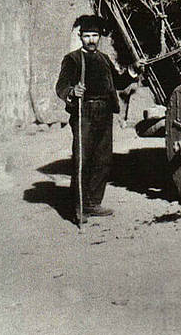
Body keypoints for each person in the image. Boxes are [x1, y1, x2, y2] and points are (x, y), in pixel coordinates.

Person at [55, 15, 142, 223]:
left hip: (104, 113)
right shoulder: (73, 59)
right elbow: (61, 86)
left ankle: (94, 203)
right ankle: (80, 207)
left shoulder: (104, 59)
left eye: (95, 36)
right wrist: (72, 90)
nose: (92, 40)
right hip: (84, 112)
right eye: (87, 36)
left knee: (103, 160)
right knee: (82, 159)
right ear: (81, 37)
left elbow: (119, 82)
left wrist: (132, 70)